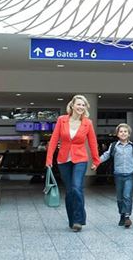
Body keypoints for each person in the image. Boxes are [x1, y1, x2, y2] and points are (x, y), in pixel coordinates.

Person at [45, 95, 101, 232]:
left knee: (77, 187)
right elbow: (54, 140)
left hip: (80, 159)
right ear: (72, 106)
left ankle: (78, 219)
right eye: (79, 104)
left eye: (83, 105)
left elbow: (93, 142)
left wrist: (96, 160)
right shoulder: (62, 120)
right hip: (63, 160)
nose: (81, 107)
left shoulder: (88, 123)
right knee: (70, 191)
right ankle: (72, 221)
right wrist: (49, 159)